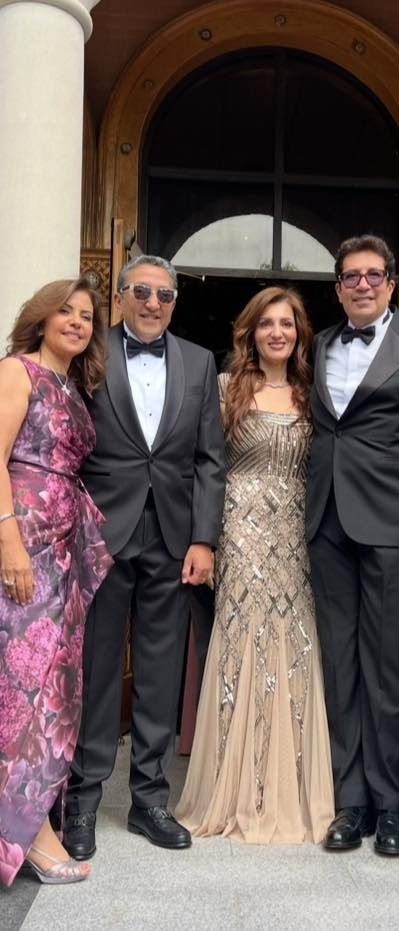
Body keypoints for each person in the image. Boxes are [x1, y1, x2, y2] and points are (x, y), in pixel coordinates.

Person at [63, 255, 226, 859]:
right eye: (141, 292)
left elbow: (210, 459)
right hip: (101, 532)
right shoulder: (90, 351)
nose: (153, 303)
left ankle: (150, 801)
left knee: (160, 672)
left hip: (174, 537)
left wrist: (204, 539)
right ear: (121, 296)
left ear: (175, 302)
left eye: (164, 294)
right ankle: (81, 801)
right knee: (97, 668)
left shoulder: (200, 362)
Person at [306, 234, 399, 856]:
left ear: (392, 284)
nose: (362, 285)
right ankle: (353, 803)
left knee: (389, 669)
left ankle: (393, 805)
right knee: (340, 667)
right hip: (326, 522)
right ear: (338, 287)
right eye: (350, 276)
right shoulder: (318, 344)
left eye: (373, 275)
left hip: (397, 526)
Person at [175, 286, 334, 843]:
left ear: (299, 333)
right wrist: (207, 540)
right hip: (238, 532)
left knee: (297, 644)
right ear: (251, 332)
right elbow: (203, 465)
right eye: (267, 323)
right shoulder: (225, 389)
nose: (277, 332)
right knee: (242, 644)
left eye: (286, 324)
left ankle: (291, 790)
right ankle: (234, 788)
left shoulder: (315, 394)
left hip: (297, 535)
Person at [0, 278, 112, 886]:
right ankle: (34, 837)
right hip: (24, 547)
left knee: (53, 687)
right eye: (65, 311)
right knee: (24, 689)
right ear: (41, 318)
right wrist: (10, 543)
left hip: (62, 553)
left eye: (86, 316)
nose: (76, 322)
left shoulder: (73, 387)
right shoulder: (17, 371)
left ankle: (29, 823)